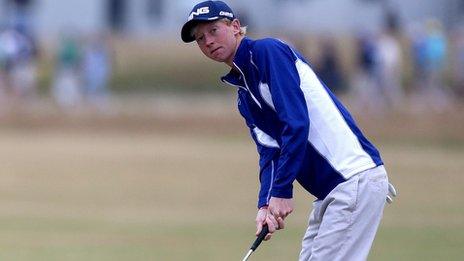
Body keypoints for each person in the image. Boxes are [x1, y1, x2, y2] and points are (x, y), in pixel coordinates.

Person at [181, 1, 396, 260]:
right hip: (331, 191)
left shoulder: (268, 53)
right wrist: (265, 204)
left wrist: (282, 192)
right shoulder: (244, 96)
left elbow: (296, 122)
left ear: (235, 27)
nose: (208, 42)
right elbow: (269, 152)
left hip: (352, 179)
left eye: (214, 30)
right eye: (200, 38)